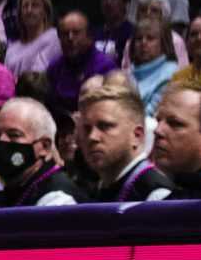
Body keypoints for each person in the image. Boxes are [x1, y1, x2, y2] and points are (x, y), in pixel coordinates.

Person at [74, 75, 175, 203]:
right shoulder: (98, 188)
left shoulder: (157, 195)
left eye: (105, 126)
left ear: (137, 135)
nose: (92, 137)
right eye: (87, 129)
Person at [0, 99, 85, 207]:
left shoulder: (58, 201)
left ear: (44, 146)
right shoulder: (11, 192)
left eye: (14, 135)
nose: (2, 141)